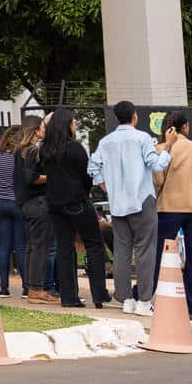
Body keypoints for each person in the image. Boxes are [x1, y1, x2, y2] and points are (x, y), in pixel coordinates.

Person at [87, 101, 170, 315]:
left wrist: (103, 183)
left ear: (117, 118)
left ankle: (125, 300)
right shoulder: (142, 138)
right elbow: (158, 165)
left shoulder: (106, 141)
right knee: (145, 251)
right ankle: (144, 300)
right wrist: (168, 146)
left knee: (122, 251)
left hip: (117, 203)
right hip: (142, 199)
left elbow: (93, 165)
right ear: (134, 116)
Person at [38, 109, 109, 308]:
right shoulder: (76, 148)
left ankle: (69, 297)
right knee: (94, 244)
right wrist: (83, 192)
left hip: (55, 204)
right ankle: (98, 293)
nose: (75, 125)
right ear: (67, 125)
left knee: (64, 248)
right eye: (74, 122)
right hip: (77, 202)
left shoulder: (45, 150)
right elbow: (86, 176)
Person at [153, 109, 192, 318]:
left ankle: (149, 297)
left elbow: (158, 180)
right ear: (185, 126)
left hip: (169, 207)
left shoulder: (160, 148)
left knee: (160, 254)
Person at [16, 115, 56, 304]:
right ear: (34, 130)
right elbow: (31, 177)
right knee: (40, 248)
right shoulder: (32, 151)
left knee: (33, 247)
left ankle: (32, 287)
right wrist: (51, 177)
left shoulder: (19, 151)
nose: (44, 130)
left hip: (25, 204)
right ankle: (37, 289)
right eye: (41, 126)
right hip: (38, 203)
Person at [0, 126, 29, 297]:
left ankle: (4, 287)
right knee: (21, 247)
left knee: (3, 246)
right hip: (17, 203)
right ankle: (26, 286)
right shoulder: (20, 157)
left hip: (0, 203)